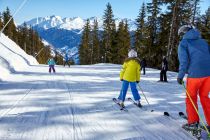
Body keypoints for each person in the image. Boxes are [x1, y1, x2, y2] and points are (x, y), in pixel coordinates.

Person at [177, 25, 210, 131]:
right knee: (204, 97)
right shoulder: (203, 42)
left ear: (183, 33)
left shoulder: (184, 43)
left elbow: (184, 61)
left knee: (191, 98)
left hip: (195, 75)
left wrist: (180, 75)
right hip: (208, 75)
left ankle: (193, 123)